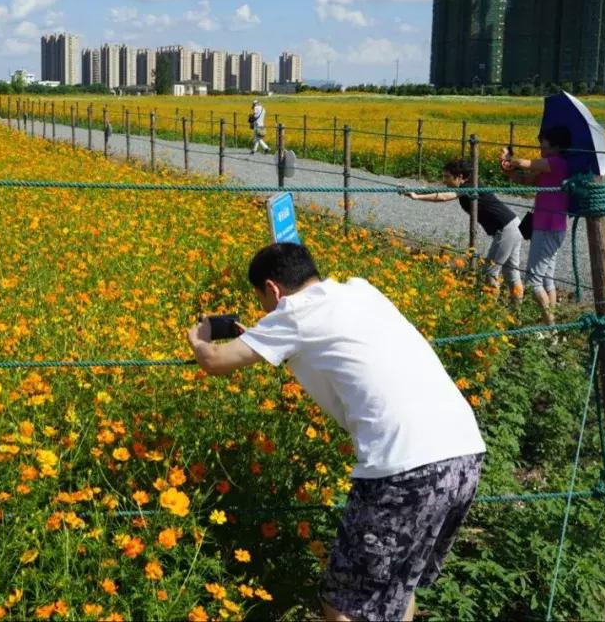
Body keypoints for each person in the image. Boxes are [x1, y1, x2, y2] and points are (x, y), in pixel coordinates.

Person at [187, 243, 486, 622]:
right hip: (465, 452)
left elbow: (215, 361)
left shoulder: (292, 315)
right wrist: (266, 340)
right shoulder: (362, 290)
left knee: (342, 603)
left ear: (273, 289)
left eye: (262, 301)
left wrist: (199, 336)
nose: (266, 311)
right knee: (397, 587)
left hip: (404, 468)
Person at [403, 159, 524, 303]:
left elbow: (443, 197)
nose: (444, 180)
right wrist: (414, 191)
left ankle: (490, 306)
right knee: (511, 271)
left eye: (447, 176)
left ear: (460, 176)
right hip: (514, 224)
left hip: (506, 228)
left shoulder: (468, 186)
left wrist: (416, 197)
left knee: (490, 271)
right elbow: (440, 192)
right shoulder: (469, 184)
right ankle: (516, 309)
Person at [500, 125, 572, 327]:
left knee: (533, 282)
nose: (540, 148)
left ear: (555, 146)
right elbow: (523, 178)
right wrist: (506, 167)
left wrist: (510, 158)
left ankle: (551, 328)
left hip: (547, 227)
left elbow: (526, 163)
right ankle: (551, 327)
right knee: (547, 280)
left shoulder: (556, 163)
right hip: (551, 226)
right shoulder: (548, 167)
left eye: (543, 145)